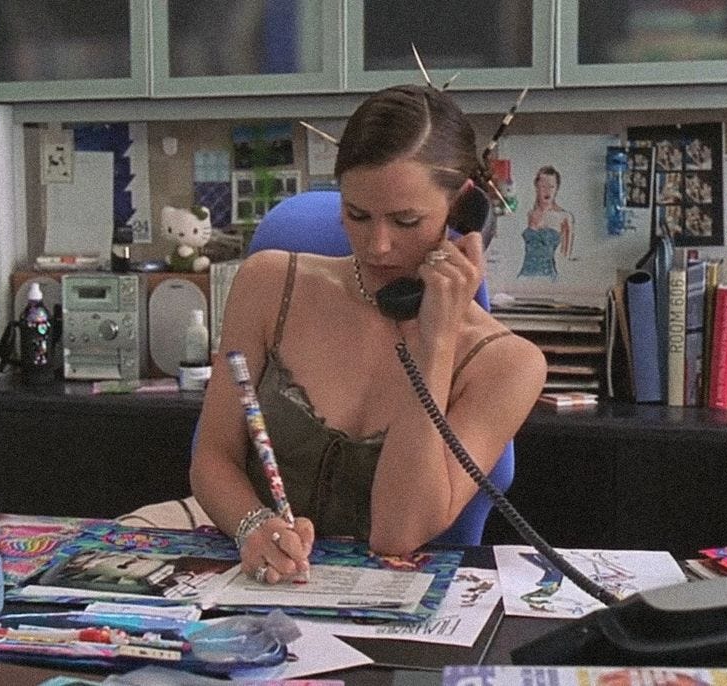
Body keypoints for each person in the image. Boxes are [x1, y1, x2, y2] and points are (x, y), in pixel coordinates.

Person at [189, 85, 547, 584]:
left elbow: (397, 534)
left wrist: (435, 342)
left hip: (400, 607)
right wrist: (252, 525)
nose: (377, 245)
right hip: (256, 584)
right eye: (357, 215)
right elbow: (212, 456)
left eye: (406, 221)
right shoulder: (268, 285)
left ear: (463, 210)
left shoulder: (509, 364)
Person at [518, 166, 575, 279]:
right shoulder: (529, 214)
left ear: (557, 189)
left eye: (551, 187)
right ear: (537, 187)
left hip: (548, 276)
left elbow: (566, 257)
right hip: (525, 275)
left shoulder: (564, 217)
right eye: (543, 186)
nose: (547, 191)